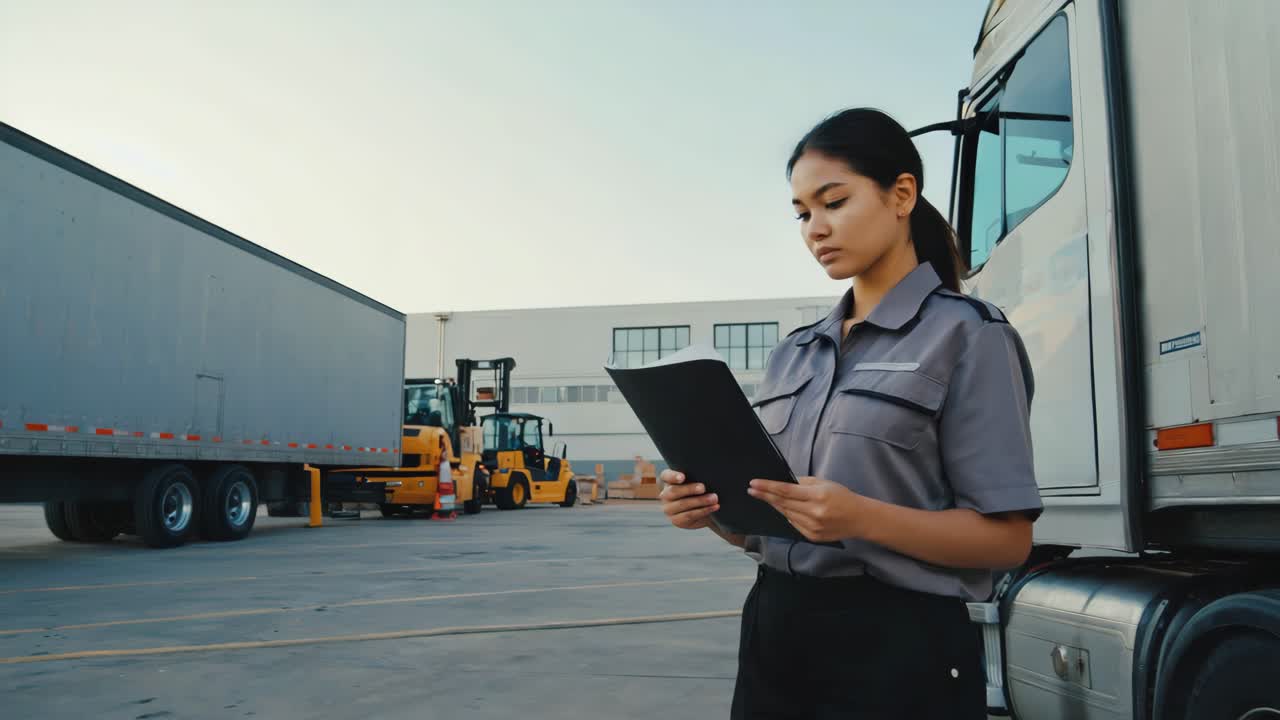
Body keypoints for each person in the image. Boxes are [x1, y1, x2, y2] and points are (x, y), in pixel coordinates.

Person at [658, 108, 1043, 719]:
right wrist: (708, 511)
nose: (815, 228)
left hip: (898, 650)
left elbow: (1007, 540)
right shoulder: (795, 352)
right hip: (774, 637)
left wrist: (860, 517)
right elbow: (765, 529)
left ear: (902, 194)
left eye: (833, 201)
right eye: (802, 213)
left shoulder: (969, 337)